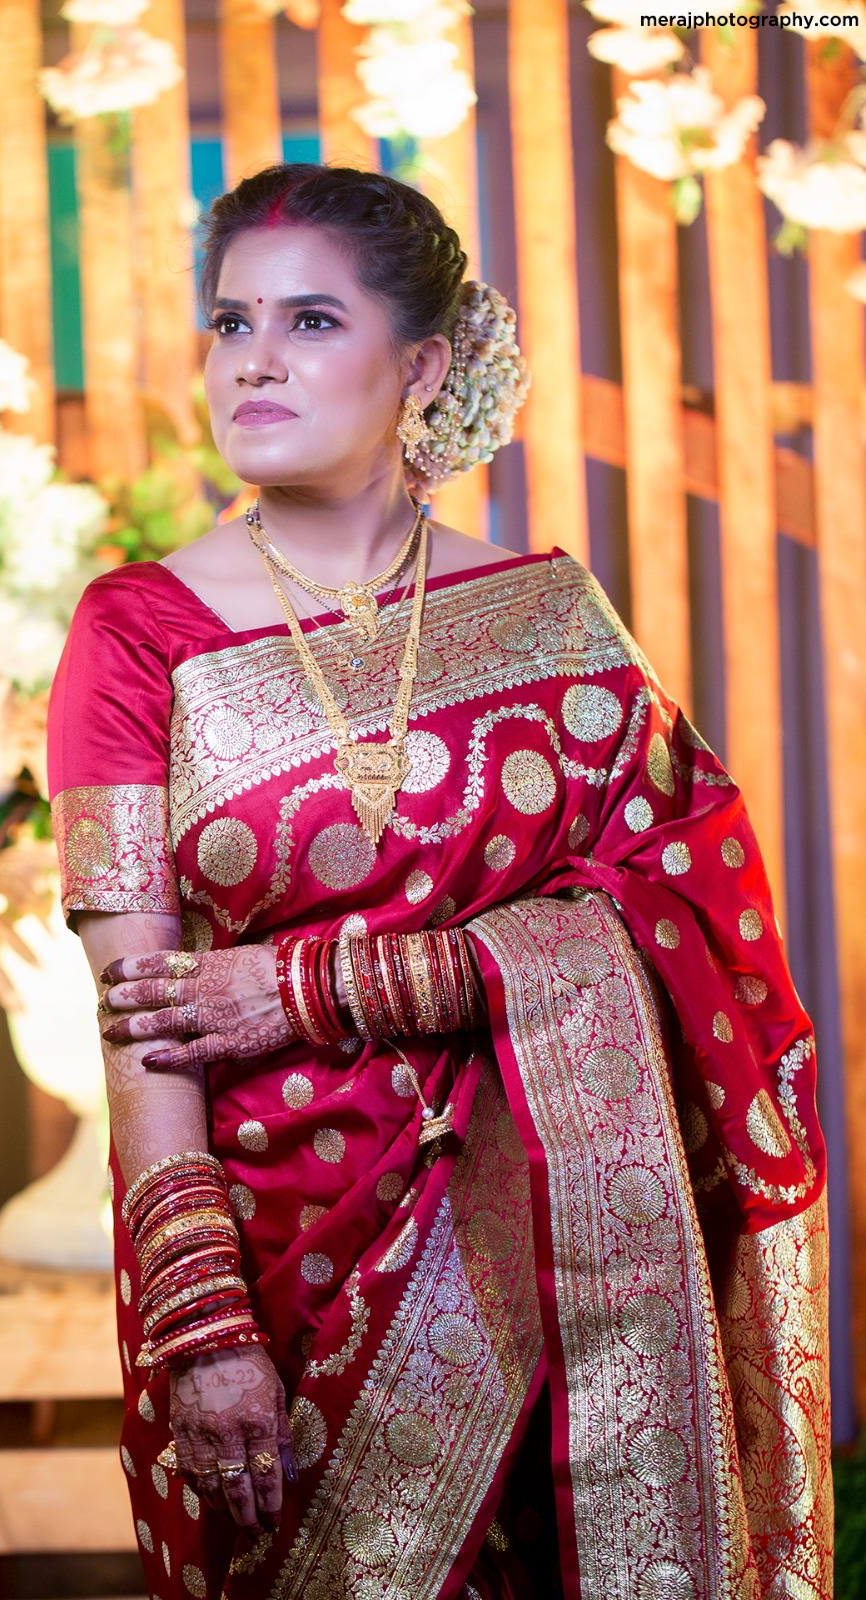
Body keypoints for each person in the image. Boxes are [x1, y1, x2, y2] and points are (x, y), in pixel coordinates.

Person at [47, 163, 832, 1600]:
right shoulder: (137, 633)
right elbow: (140, 1016)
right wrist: (200, 1319)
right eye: (230, 322)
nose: (254, 359)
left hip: (559, 1269)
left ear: (419, 365)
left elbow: (692, 918)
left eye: (310, 320)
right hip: (269, 1268)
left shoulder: (552, 618)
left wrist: (329, 983)